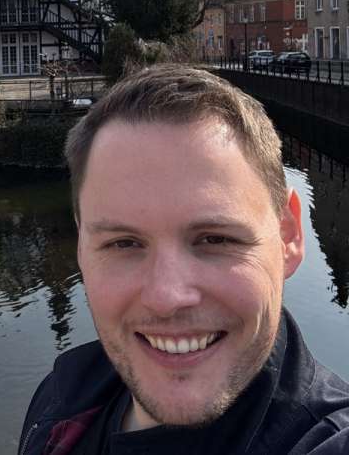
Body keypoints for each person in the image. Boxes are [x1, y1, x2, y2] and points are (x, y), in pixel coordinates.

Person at [20, 65, 349, 454]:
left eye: (215, 239)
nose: (167, 296)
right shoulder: (59, 400)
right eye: (123, 244)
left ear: (288, 235)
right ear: (81, 245)